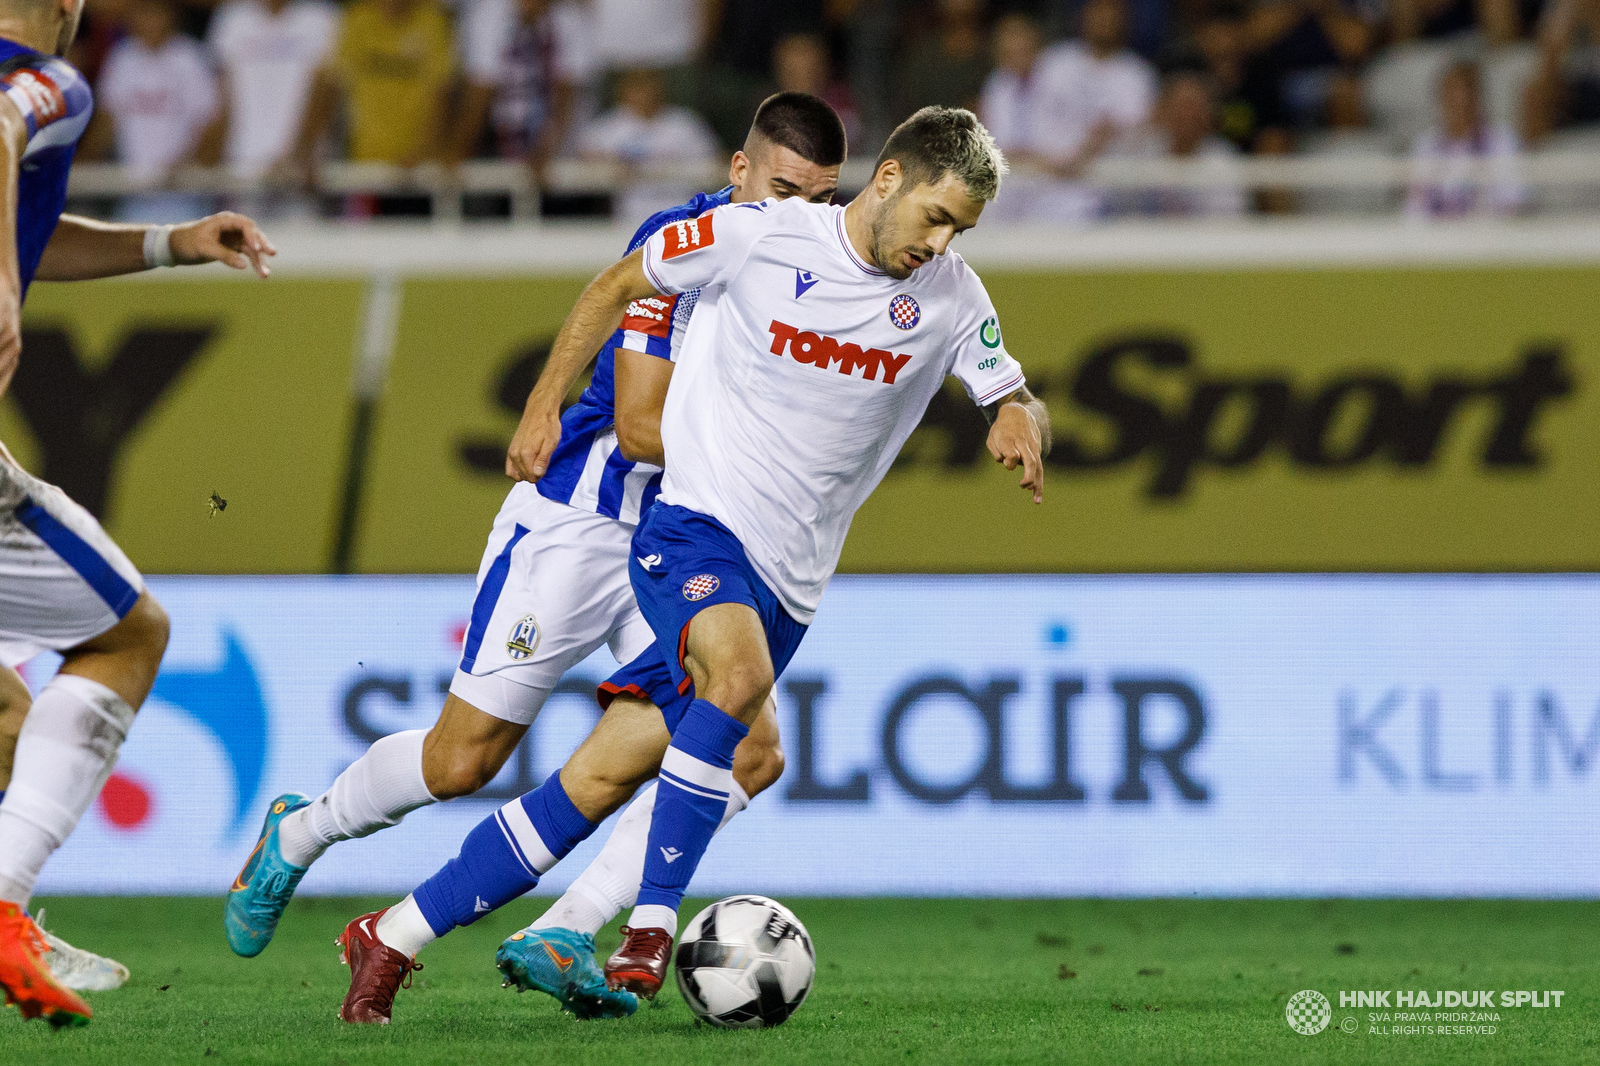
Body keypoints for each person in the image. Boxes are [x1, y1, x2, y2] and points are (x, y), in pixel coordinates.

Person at [331, 105, 1050, 1015]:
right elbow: (615, 285)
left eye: (961, 231)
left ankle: (394, 935)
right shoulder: (758, 236)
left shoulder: (952, 296)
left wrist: (1019, 414)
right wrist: (545, 403)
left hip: (790, 579)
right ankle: (648, 925)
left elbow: (1010, 386)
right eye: (937, 217)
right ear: (891, 178)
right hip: (691, 531)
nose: (941, 242)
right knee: (738, 684)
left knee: (601, 778)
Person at [222, 92, 845, 1024]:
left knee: (752, 751)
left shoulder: (820, 274)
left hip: (686, 541)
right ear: (739, 172)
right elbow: (638, 427)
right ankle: (301, 829)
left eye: (822, 201)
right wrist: (784, 449)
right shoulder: (687, 243)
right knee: (462, 760)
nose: (804, 217)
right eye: (788, 191)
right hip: (583, 524)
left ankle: (569, 925)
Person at [0, 0, 276, 1029]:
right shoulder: (51, 79)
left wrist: (172, 241)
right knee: (125, 630)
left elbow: (33, 234)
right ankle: (4, 908)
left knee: (10, 722)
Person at [992, 0, 1156, 222]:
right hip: (1031, 185)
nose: (1103, 20)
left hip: (1095, 191)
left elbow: (1119, 129)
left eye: (1110, 13)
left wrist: (1078, 156)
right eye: (1097, 12)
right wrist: (1045, 161)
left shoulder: (1135, 74)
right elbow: (1011, 130)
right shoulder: (1055, 61)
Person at [83, 0, 219, 221]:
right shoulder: (122, 59)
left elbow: (209, 124)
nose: (149, 21)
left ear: (171, 16)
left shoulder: (190, 58)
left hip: (182, 193)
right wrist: (82, 161)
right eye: (143, 13)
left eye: (156, 14)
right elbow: (106, 123)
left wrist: (183, 165)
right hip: (134, 192)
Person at [203, 0, 338, 182]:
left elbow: (326, 92)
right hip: (243, 159)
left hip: (300, 166)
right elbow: (223, 96)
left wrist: (300, 153)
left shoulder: (320, 17)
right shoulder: (233, 17)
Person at [579, 66, 720, 222]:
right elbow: (584, 154)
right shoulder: (611, 125)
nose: (643, 94)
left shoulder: (683, 123)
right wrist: (609, 162)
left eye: (648, 86)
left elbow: (716, 162)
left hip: (682, 218)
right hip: (631, 218)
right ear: (624, 91)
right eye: (636, 87)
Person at [1406, 60, 1526, 218]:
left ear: (1478, 96)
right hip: (1436, 238)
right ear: (1441, 98)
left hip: (1489, 237)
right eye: (1451, 92)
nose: (1459, 100)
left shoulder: (1503, 142)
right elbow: (1414, 209)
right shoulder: (1425, 146)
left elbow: (1511, 203)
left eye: (1465, 91)